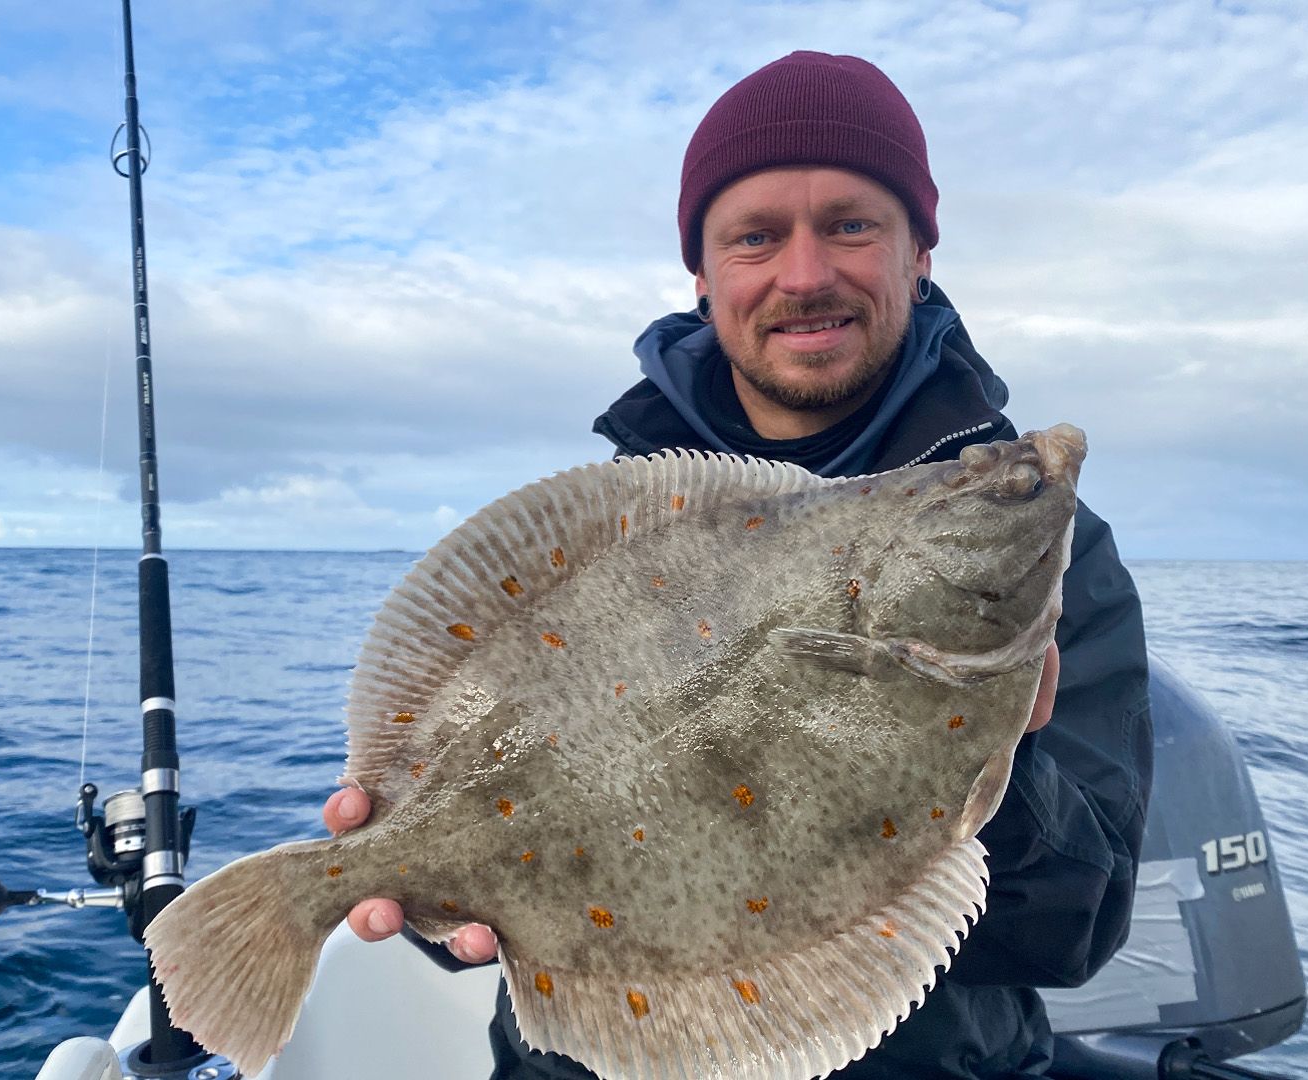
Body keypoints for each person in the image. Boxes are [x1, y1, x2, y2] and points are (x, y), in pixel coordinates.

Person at [324, 50, 1153, 1080]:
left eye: (851, 224)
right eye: (756, 237)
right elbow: (486, 847)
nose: (805, 275)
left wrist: (997, 765)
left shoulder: (1064, 564)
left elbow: (1076, 934)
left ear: (918, 253)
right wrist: (421, 885)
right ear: (704, 274)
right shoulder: (613, 535)